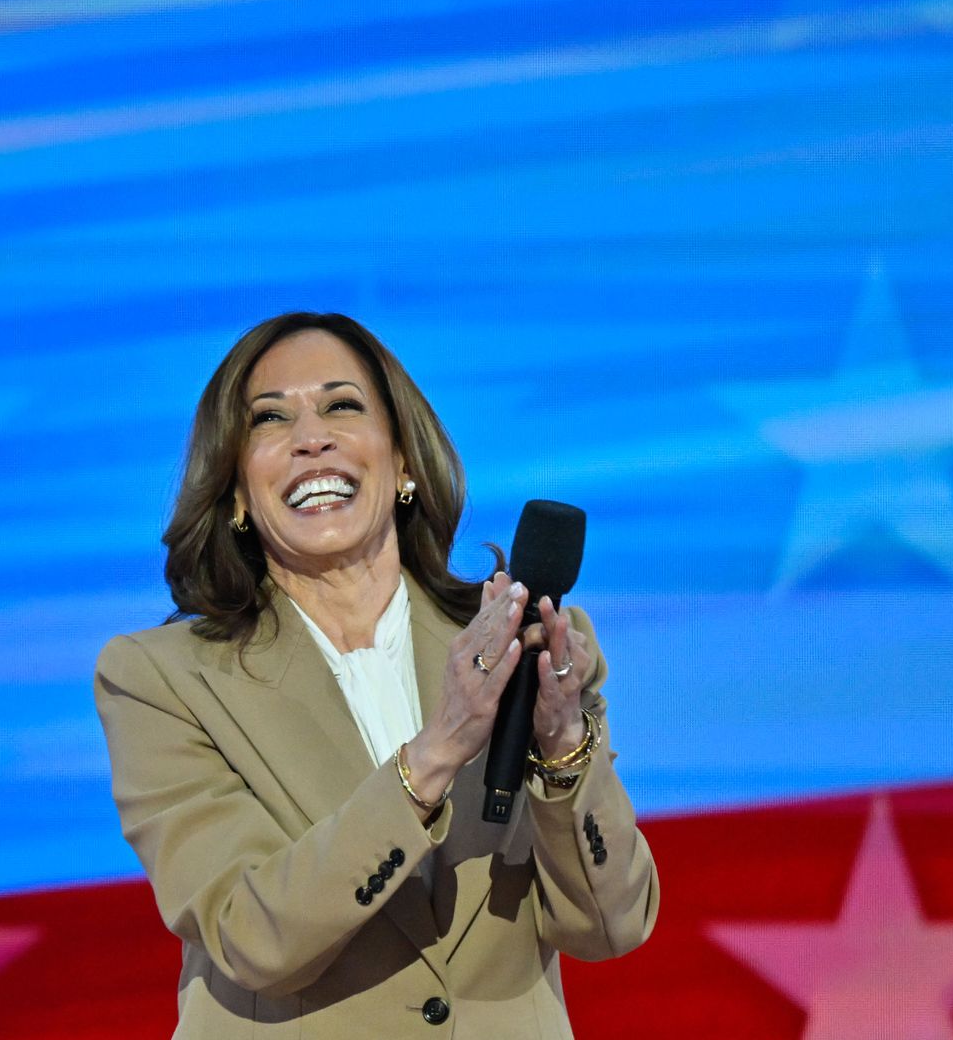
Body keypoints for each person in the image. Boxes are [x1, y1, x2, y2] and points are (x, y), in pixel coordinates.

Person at [94, 312, 658, 1037]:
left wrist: (562, 748)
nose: (311, 437)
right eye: (270, 419)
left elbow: (611, 925)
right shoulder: (159, 679)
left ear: (403, 464)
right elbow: (250, 935)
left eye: (342, 405)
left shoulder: (530, 646)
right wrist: (438, 752)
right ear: (235, 492)